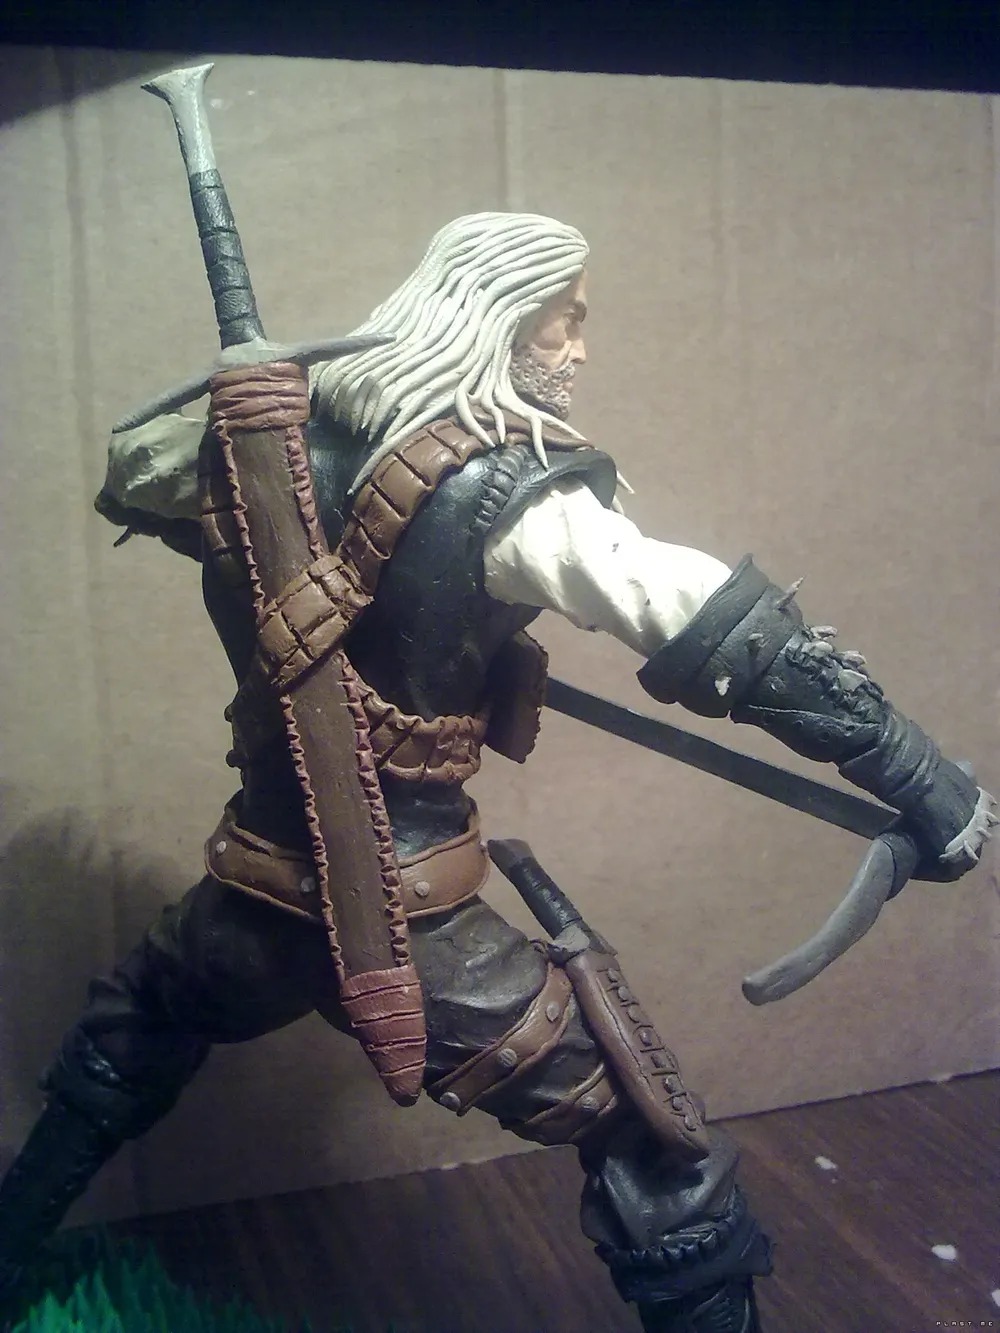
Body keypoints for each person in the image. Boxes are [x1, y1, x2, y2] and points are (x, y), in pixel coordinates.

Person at [0, 212, 993, 1333]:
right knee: (657, 1148)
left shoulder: (249, 453)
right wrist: (923, 781)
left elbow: (133, 473)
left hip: (249, 892)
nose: (579, 349)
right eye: (567, 321)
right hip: (408, 919)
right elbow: (723, 626)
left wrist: (247, 429)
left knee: (131, 1033)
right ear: (498, 320)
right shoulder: (511, 496)